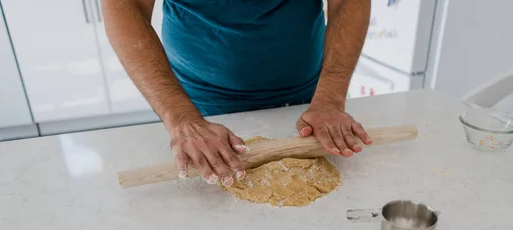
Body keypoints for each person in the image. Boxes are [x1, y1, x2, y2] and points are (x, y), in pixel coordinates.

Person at [102, 0, 372, 186]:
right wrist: (180, 116)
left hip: (310, 99)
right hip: (194, 103)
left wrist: (330, 98)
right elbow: (125, 6)